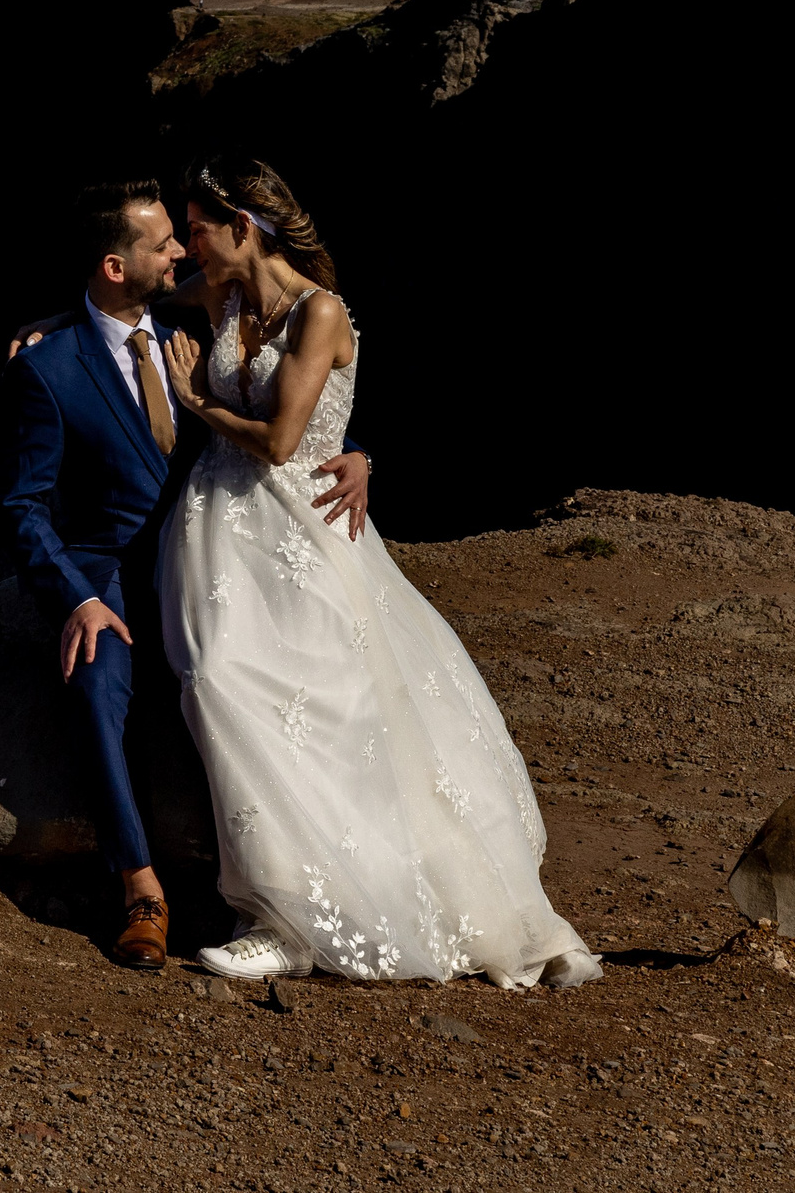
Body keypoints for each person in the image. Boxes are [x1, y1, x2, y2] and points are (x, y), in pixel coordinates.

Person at [153, 154, 602, 987]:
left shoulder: (318, 310)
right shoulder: (225, 295)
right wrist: (55, 322)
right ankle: (276, 907)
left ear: (243, 227)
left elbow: (283, 441)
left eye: (198, 229)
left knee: (324, 704)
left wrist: (198, 402)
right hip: (220, 540)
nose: (187, 246)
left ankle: (290, 920)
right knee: (222, 681)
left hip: (307, 527)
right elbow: (134, 296)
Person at [0, 179, 369, 968]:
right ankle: (142, 889)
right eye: (163, 243)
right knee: (97, 684)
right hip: (112, 573)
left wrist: (361, 454)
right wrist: (77, 597)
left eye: (183, 234)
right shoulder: (48, 368)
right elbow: (23, 507)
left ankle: (314, 880)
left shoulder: (196, 318)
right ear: (114, 265)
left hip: (215, 556)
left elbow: (297, 394)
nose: (181, 252)